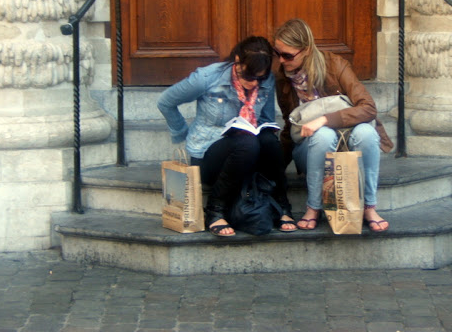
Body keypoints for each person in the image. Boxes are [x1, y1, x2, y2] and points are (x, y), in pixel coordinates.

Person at [157, 36, 297, 237]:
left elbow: (266, 120)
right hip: (209, 154)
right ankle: (215, 210)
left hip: (247, 155)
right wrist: (182, 134)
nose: (253, 83)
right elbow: (166, 102)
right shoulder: (208, 77)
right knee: (246, 143)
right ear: (237, 61)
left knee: (269, 141)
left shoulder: (267, 80)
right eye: (248, 76)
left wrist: (263, 130)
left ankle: (283, 205)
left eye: (259, 78)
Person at [273, 19, 394, 232]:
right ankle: (313, 207)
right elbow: (289, 125)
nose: (281, 60)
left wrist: (324, 120)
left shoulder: (335, 65)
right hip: (311, 148)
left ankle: (369, 206)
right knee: (323, 136)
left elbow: (368, 108)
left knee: (366, 132)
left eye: (288, 55)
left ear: (306, 50)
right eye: (278, 53)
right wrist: (275, 168)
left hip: (348, 146)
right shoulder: (283, 78)